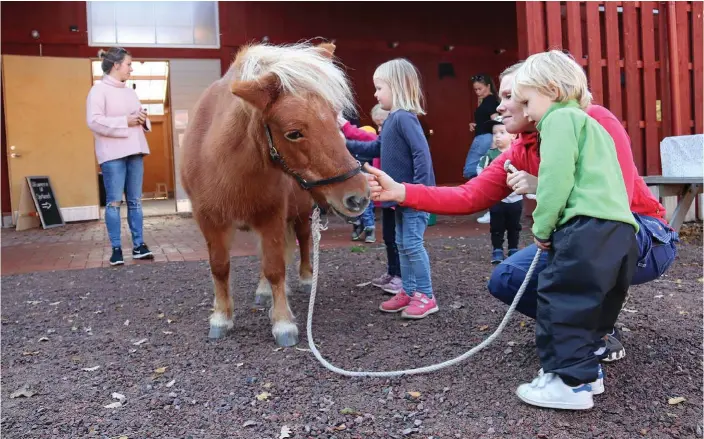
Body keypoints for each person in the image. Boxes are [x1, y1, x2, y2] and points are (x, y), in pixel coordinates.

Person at [363, 60, 678, 360]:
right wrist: (401, 191)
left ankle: (585, 342)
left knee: (583, 249)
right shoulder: (519, 149)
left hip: (639, 231)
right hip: (583, 238)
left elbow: (614, 200)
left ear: (540, 94)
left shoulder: (592, 120)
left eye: (510, 96)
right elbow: (468, 195)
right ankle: (589, 326)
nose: (499, 106)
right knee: (506, 280)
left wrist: (543, 185)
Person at [507, 49, 641, 409]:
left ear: (550, 89)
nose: (527, 111)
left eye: (527, 101)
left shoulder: (560, 120)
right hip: (622, 232)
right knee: (594, 305)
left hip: (586, 228)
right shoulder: (592, 126)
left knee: (562, 299)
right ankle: (587, 374)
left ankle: (569, 385)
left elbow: (555, 178)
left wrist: (542, 225)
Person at [346, 58, 438, 319]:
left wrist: (417, 191)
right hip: (399, 197)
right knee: (401, 242)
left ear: (396, 87)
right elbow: (376, 148)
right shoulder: (391, 121)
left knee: (411, 243)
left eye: (379, 88)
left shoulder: (405, 118)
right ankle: (408, 291)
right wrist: (345, 144)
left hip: (412, 197)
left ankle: (426, 295)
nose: (375, 94)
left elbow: (422, 155)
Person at [86, 47, 154, 266]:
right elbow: (94, 121)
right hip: (113, 154)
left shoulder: (129, 91)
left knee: (135, 201)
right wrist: (126, 121)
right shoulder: (98, 91)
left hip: (135, 150)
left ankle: (139, 246)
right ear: (116, 65)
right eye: (128, 64)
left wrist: (142, 118)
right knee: (114, 202)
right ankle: (116, 249)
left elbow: (138, 117)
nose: (131, 69)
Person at [476, 117, 522, 264]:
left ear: (513, 135)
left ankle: (513, 248)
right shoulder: (490, 155)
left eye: (502, 132)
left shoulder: (518, 153)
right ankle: (497, 249)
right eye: (495, 133)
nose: (497, 136)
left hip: (515, 198)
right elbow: (481, 170)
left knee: (514, 225)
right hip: (497, 198)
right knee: (496, 225)